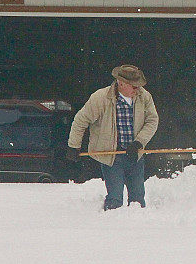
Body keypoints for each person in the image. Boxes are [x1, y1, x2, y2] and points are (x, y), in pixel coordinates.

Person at [66, 65, 159, 210]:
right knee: (115, 199)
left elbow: (152, 121)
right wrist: (74, 145)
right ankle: (110, 228)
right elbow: (80, 120)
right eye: (134, 87)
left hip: (135, 155)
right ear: (121, 83)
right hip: (111, 156)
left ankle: (137, 230)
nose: (138, 90)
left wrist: (139, 143)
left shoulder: (144, 97)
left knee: (138, 200)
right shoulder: (100, 98)